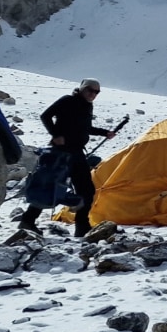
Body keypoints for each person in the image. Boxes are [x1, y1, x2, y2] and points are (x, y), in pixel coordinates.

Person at [20, 79, 116, 232]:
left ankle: (82, 225)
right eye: (90, 90)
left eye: (96, 92)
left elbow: (86, 128)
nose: (93, 94)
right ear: (82, 89)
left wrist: (105, 132)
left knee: (86, 190)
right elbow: (45, 116)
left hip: (77, 153)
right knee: (50, 187)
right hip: (60, 152)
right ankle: (27, 220)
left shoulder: (87, 106)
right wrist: (56, 134)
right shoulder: (68, 100)